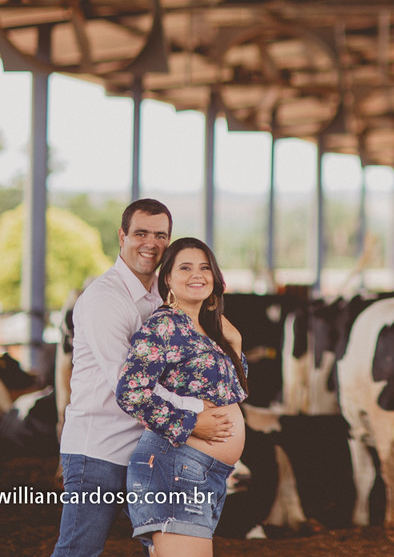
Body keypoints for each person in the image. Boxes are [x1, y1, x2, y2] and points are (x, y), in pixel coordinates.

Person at [52, 200, 233, 557]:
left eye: (160, 235)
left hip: (150, 450)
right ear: (122, 236)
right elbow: (130, 387)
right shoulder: (105, 299)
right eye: (141, 233)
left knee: (166, 549)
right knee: (79, 549)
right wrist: (195, 420)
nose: (150, 243)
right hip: (100, 450)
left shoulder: (161, 299)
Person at [117, 237, 248, 556]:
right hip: (174, 466)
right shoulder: (162, 326)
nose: (197, 274)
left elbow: (230, 392)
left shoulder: (206, 328)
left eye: (204, 267)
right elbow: (130, 392)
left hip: (205, 470)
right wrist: (190, 424)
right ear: (168, 280)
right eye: (185, 267)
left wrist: (236, 344)